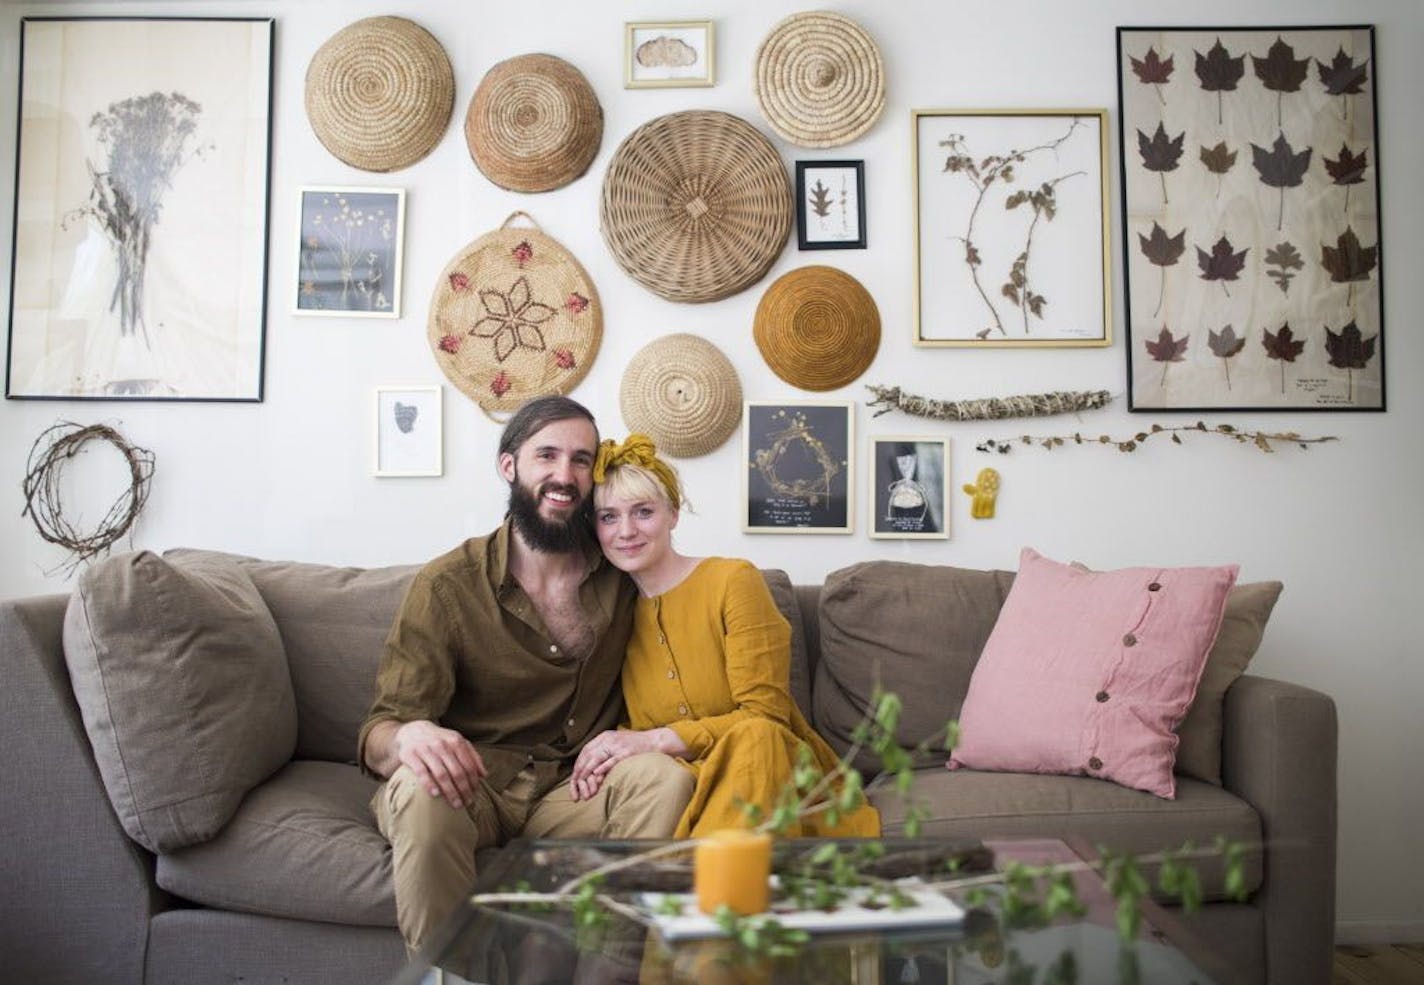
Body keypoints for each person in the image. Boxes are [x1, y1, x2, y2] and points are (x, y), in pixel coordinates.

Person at [358, 398, 695, 951]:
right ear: (509, 465)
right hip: (475, 786)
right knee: (419, 787)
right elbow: (380, 733)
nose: (565, 475)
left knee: (665, 778)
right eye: (547, 455)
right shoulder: (447, 585)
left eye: (582, 460)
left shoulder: (622, 569)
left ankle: (610, 964)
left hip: (574, 788)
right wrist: (409, 733)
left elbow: (688, 602)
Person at [569, 434, 880, 839]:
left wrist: (657, 740)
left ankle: (713, 883)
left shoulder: (733, 581)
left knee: (756, 734)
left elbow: (765, 714)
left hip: (765, 770)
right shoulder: (610, 613)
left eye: (643, 512)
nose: (625, 531)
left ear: (673, 514)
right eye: (608, 517)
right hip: (676, 783)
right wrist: (613, 749)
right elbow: (631, 725)